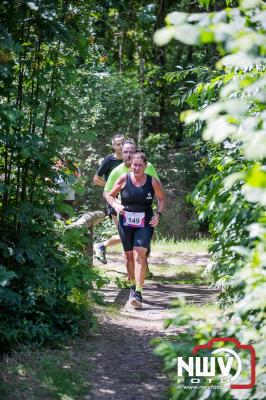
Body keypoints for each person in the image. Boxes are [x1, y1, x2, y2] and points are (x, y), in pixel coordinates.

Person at [106, 150, 165, 308]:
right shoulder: (124, 178)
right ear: (130, 165)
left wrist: (158, 214)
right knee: (129, 256)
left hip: (145, 220)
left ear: (146, 166)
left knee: (140, 253)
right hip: (126, 220)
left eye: (140, 165)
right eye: (134, 165)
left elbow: (161, 199)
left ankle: (138, 291)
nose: (137, 167)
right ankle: (132, 286)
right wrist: (116, 205)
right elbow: (109, 195)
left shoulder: (152, 181)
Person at [93, 134, 125, 263]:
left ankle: (101, 245)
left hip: (131, 199)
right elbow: (95, 180)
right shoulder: (109, 160)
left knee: (131, 232)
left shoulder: (130, 159)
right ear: (113, 146)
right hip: (114, 200)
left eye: (123, 142)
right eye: (118, 144)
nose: (121, 146)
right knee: (125, 232)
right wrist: (114, 186)